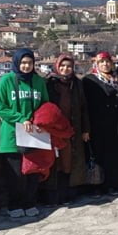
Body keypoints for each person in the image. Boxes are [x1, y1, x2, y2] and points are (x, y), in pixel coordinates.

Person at [0, 48, 49, 218]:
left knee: (33, 171)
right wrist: (20, 118)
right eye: (23, 63)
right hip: (11, 134)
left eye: (30, 63)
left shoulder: (39, 82)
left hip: (34, 134)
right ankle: (14, 204)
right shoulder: (7, 81)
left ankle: (29, 202)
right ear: (17, 63)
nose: (26, 66)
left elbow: (45, 105)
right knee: (15, 173)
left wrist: (41, 122)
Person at [45, 54, 90, 204]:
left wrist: (85, 129)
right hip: (53, 129)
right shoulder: (49, 83)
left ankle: (66, 193)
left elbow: (84, 107)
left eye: (69, 66)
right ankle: (52, 195)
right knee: (53, 162)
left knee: (68, 161)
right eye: (62, 66)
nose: (65, 69)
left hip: (72, 129)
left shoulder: (76, 84)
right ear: (57, 66)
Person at [82, 51, 118, 195]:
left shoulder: (116, 80)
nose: (105, 64)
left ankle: (110, 184)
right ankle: (96, 186)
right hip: (95, 124)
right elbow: (84, 105)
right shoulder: (89, 80)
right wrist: (85, 128)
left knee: (111, 155)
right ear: (96, 64)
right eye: (102, 62)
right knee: (96, 155)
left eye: (107, 62)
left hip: (113, 124)